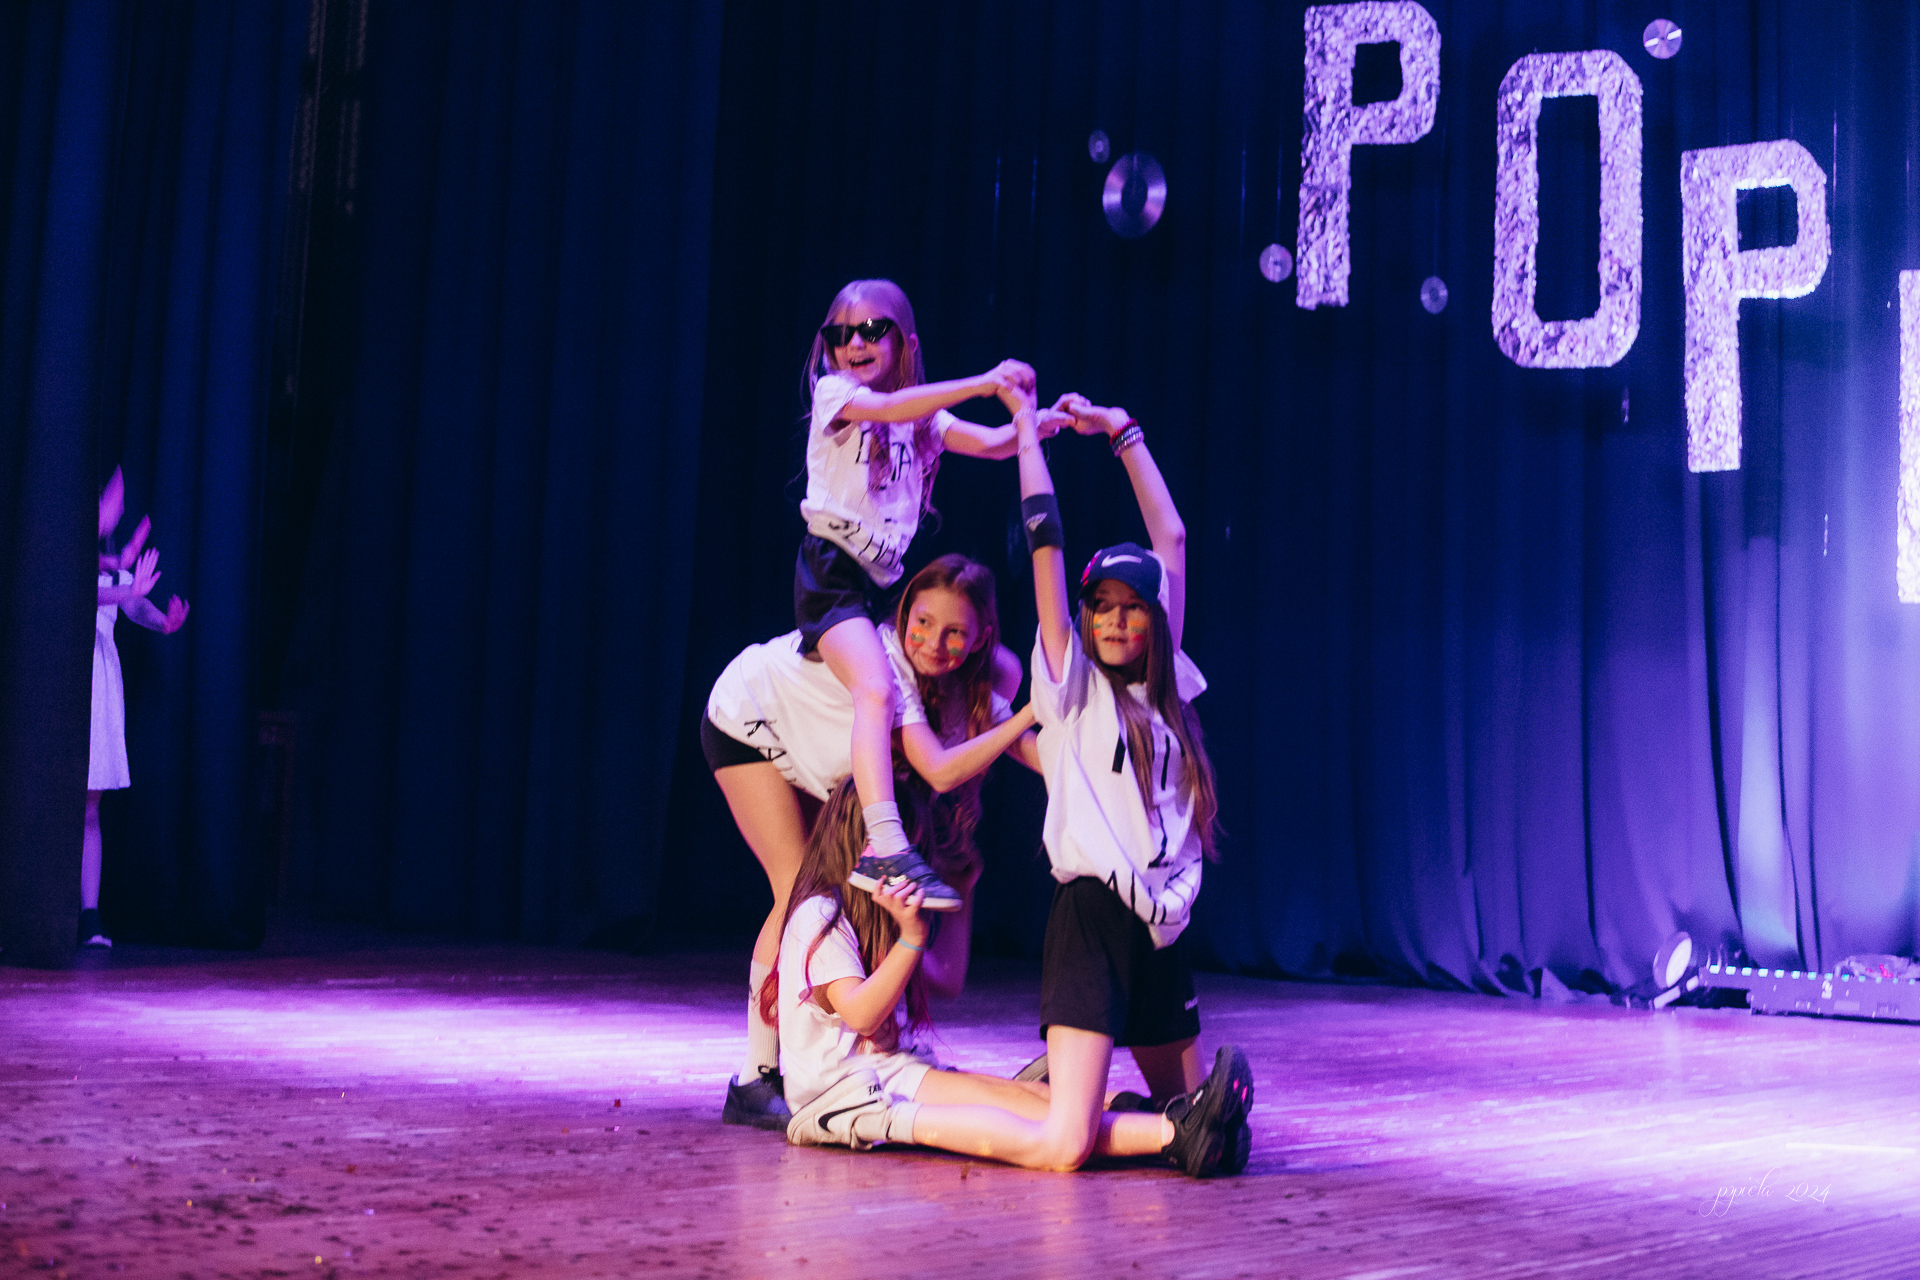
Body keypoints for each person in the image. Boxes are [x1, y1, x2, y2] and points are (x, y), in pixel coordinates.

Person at [1002, 385, 1253, 1176]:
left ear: (1156, 618)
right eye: (1101, 606)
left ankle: (1098, 1100)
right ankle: (1069, 1099)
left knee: (1210, 1130)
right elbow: (1045, 542)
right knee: (1069, 1146)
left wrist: (1122, 432)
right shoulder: (1070, 684)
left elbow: (1170, 535)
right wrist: (1027, 436)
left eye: (1133, 607)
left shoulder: (1167, 688)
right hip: (1093, 916)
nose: (1115, 619)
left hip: (1162, 924)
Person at [704, 554, 1040, 1129]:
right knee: (797, 889)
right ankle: (755, 1076)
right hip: (752, 719)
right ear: (904, 613)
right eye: (922, 623)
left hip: (832, 757)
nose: (934, 643)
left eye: (955, 632)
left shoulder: (994, 673)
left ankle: (844, 1042)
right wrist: (1032, 713)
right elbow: (939, 769)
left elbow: (1001, 744)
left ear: (983, 636)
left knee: (842, 893)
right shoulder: (888, 661)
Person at [773, 777, 1234, 1177]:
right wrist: (911, 936)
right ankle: (1177, 1132)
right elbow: (862, 1014)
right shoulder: (819, 914)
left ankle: (1177, 1118)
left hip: (888, 1072)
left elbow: (947, 977)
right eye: (903, 848)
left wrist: (961, 891)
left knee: (1031, 1098)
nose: (910, 863)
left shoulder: (871, 921)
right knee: (1032, 1116)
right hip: (843, 1090)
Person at [794, 278, 1047, 916]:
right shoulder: (836, 395)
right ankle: (885, 845)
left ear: (905, 343)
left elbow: (993, 444)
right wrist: (984, 381)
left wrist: (1041, 421)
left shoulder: (922, 420)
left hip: (879, 586)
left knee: (983, 675)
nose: (853, 344)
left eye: (871, 330)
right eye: (839, 335)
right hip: (831, 576)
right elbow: (887, 409)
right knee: (877, 690)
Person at [85, 468, 189, 949]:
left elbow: (132, 603)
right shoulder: (66, 552)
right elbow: (93, 592)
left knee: (89, 808)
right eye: (112, 503)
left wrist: (163, 621)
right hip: (67, 678)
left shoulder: (110, 563)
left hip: (99, 681)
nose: (118, 512)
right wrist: (128, 582)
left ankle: (88, 917)